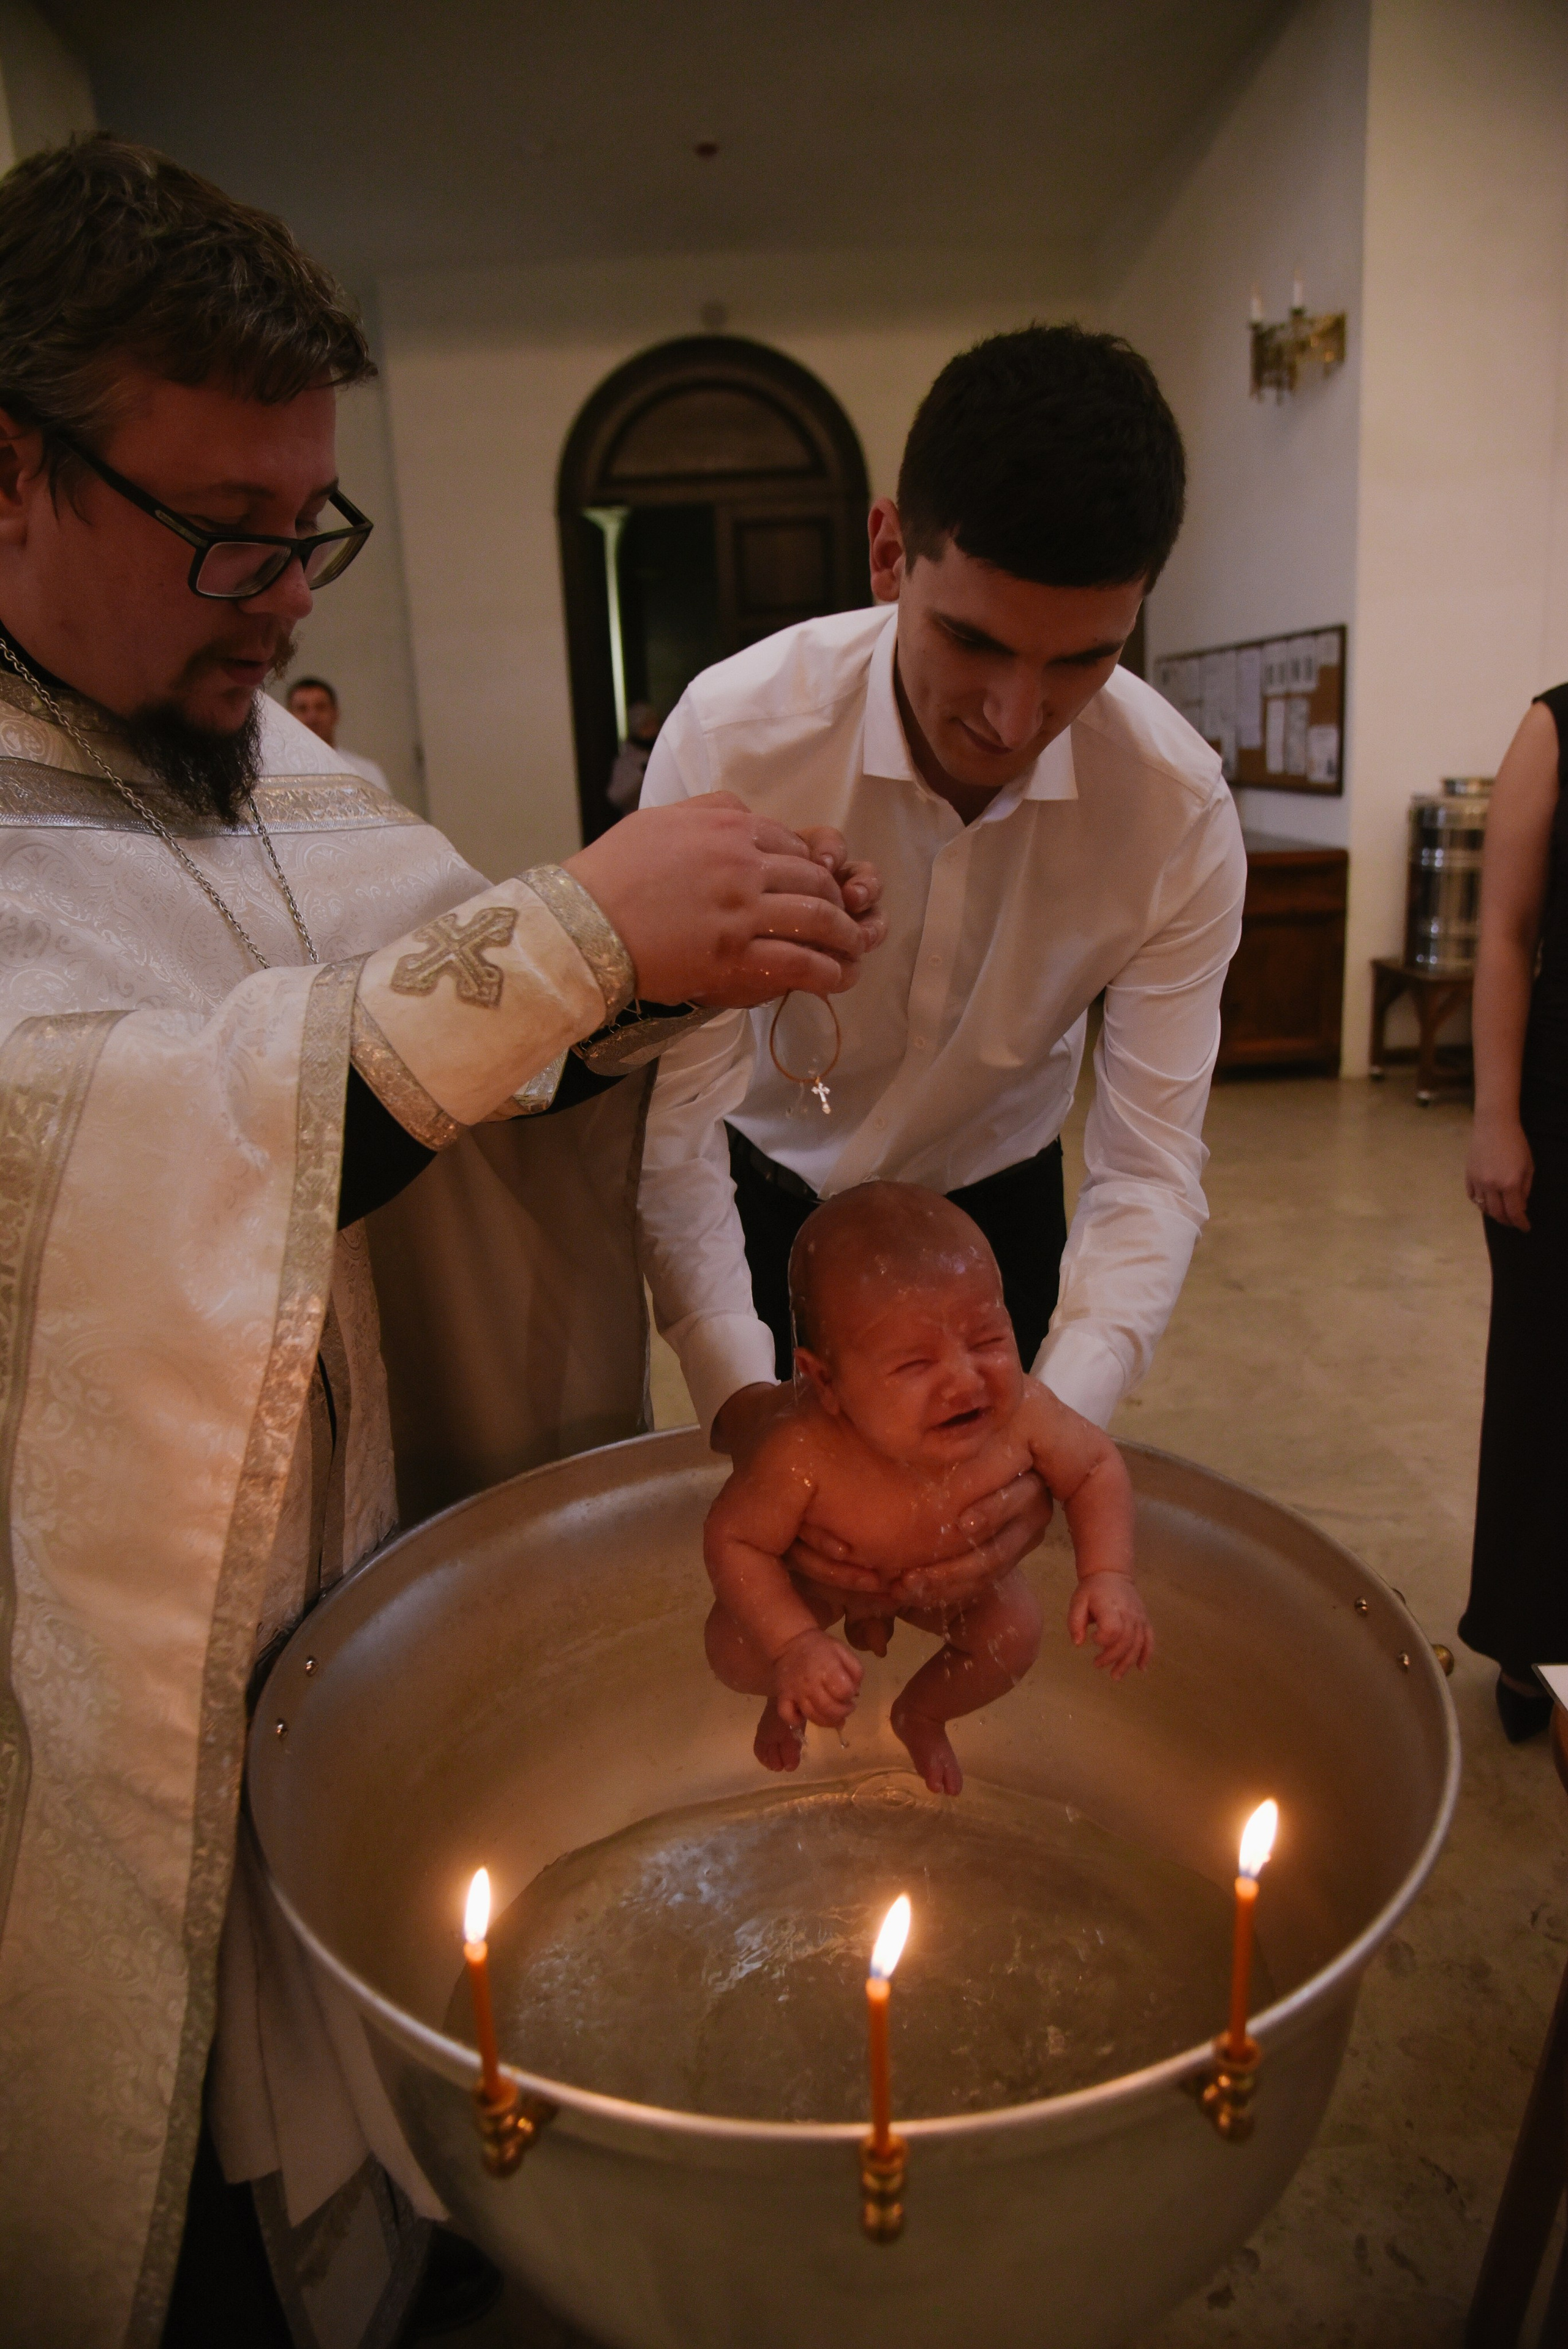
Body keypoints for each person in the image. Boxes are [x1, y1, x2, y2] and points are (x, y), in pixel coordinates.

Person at [0, 137, 883, 2349]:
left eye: (311, 530)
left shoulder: (268, 763)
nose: (284, 594)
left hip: (371, 1597)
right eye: (226, 532)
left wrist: (638, 991)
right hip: (118, 1707)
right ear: (10, 476)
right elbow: (75, 1157)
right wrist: (567, 936)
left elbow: (440, 1069)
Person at [638, 326, 1247, 1631]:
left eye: (1082, 659)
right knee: (791, 1559)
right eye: (973, 642)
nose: (1014, 721)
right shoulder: (737, 734)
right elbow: (673, 1117)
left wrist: (1060, 1404)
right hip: (763, 1183)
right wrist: (735, 1394)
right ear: (883, 553)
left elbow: (1148, 1165)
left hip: (992, 1204)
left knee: (964, 1561)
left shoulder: (1173, 810)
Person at [703, 1183, 1147, 1796]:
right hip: (820, 1585)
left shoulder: (1023, 1417)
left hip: (950, 1585)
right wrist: (793, 1644)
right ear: (823, 1379)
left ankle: (923, 1713)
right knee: (734, 1647)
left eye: (988, 1339)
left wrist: (1107, 1574)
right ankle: (791, 1692)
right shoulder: (800, 1450)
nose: (965, 1380)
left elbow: (1095, 1466)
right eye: (915, 1365)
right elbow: (736, 1540)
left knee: (1013, 1631)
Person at [1462, 686, 1568, 1740]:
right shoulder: (1557, 725)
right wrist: (1495, 1113)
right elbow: (1507, 928)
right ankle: (1536, 1635)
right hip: (1563, 1104)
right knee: (1550, 1382)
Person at [285, 670, 390, 790]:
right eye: (302, 709)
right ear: (289, 716)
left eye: (321, 707)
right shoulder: (277, 772)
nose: (312, 717)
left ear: (335, 714)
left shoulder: (365, 772)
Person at [606, 698, 661, 814]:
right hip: (636, 820)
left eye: (654, 723)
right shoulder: (626, 760)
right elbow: (615, 796)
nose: (653, 730)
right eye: (647, 725)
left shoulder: (661, 751)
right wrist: (642, 772)